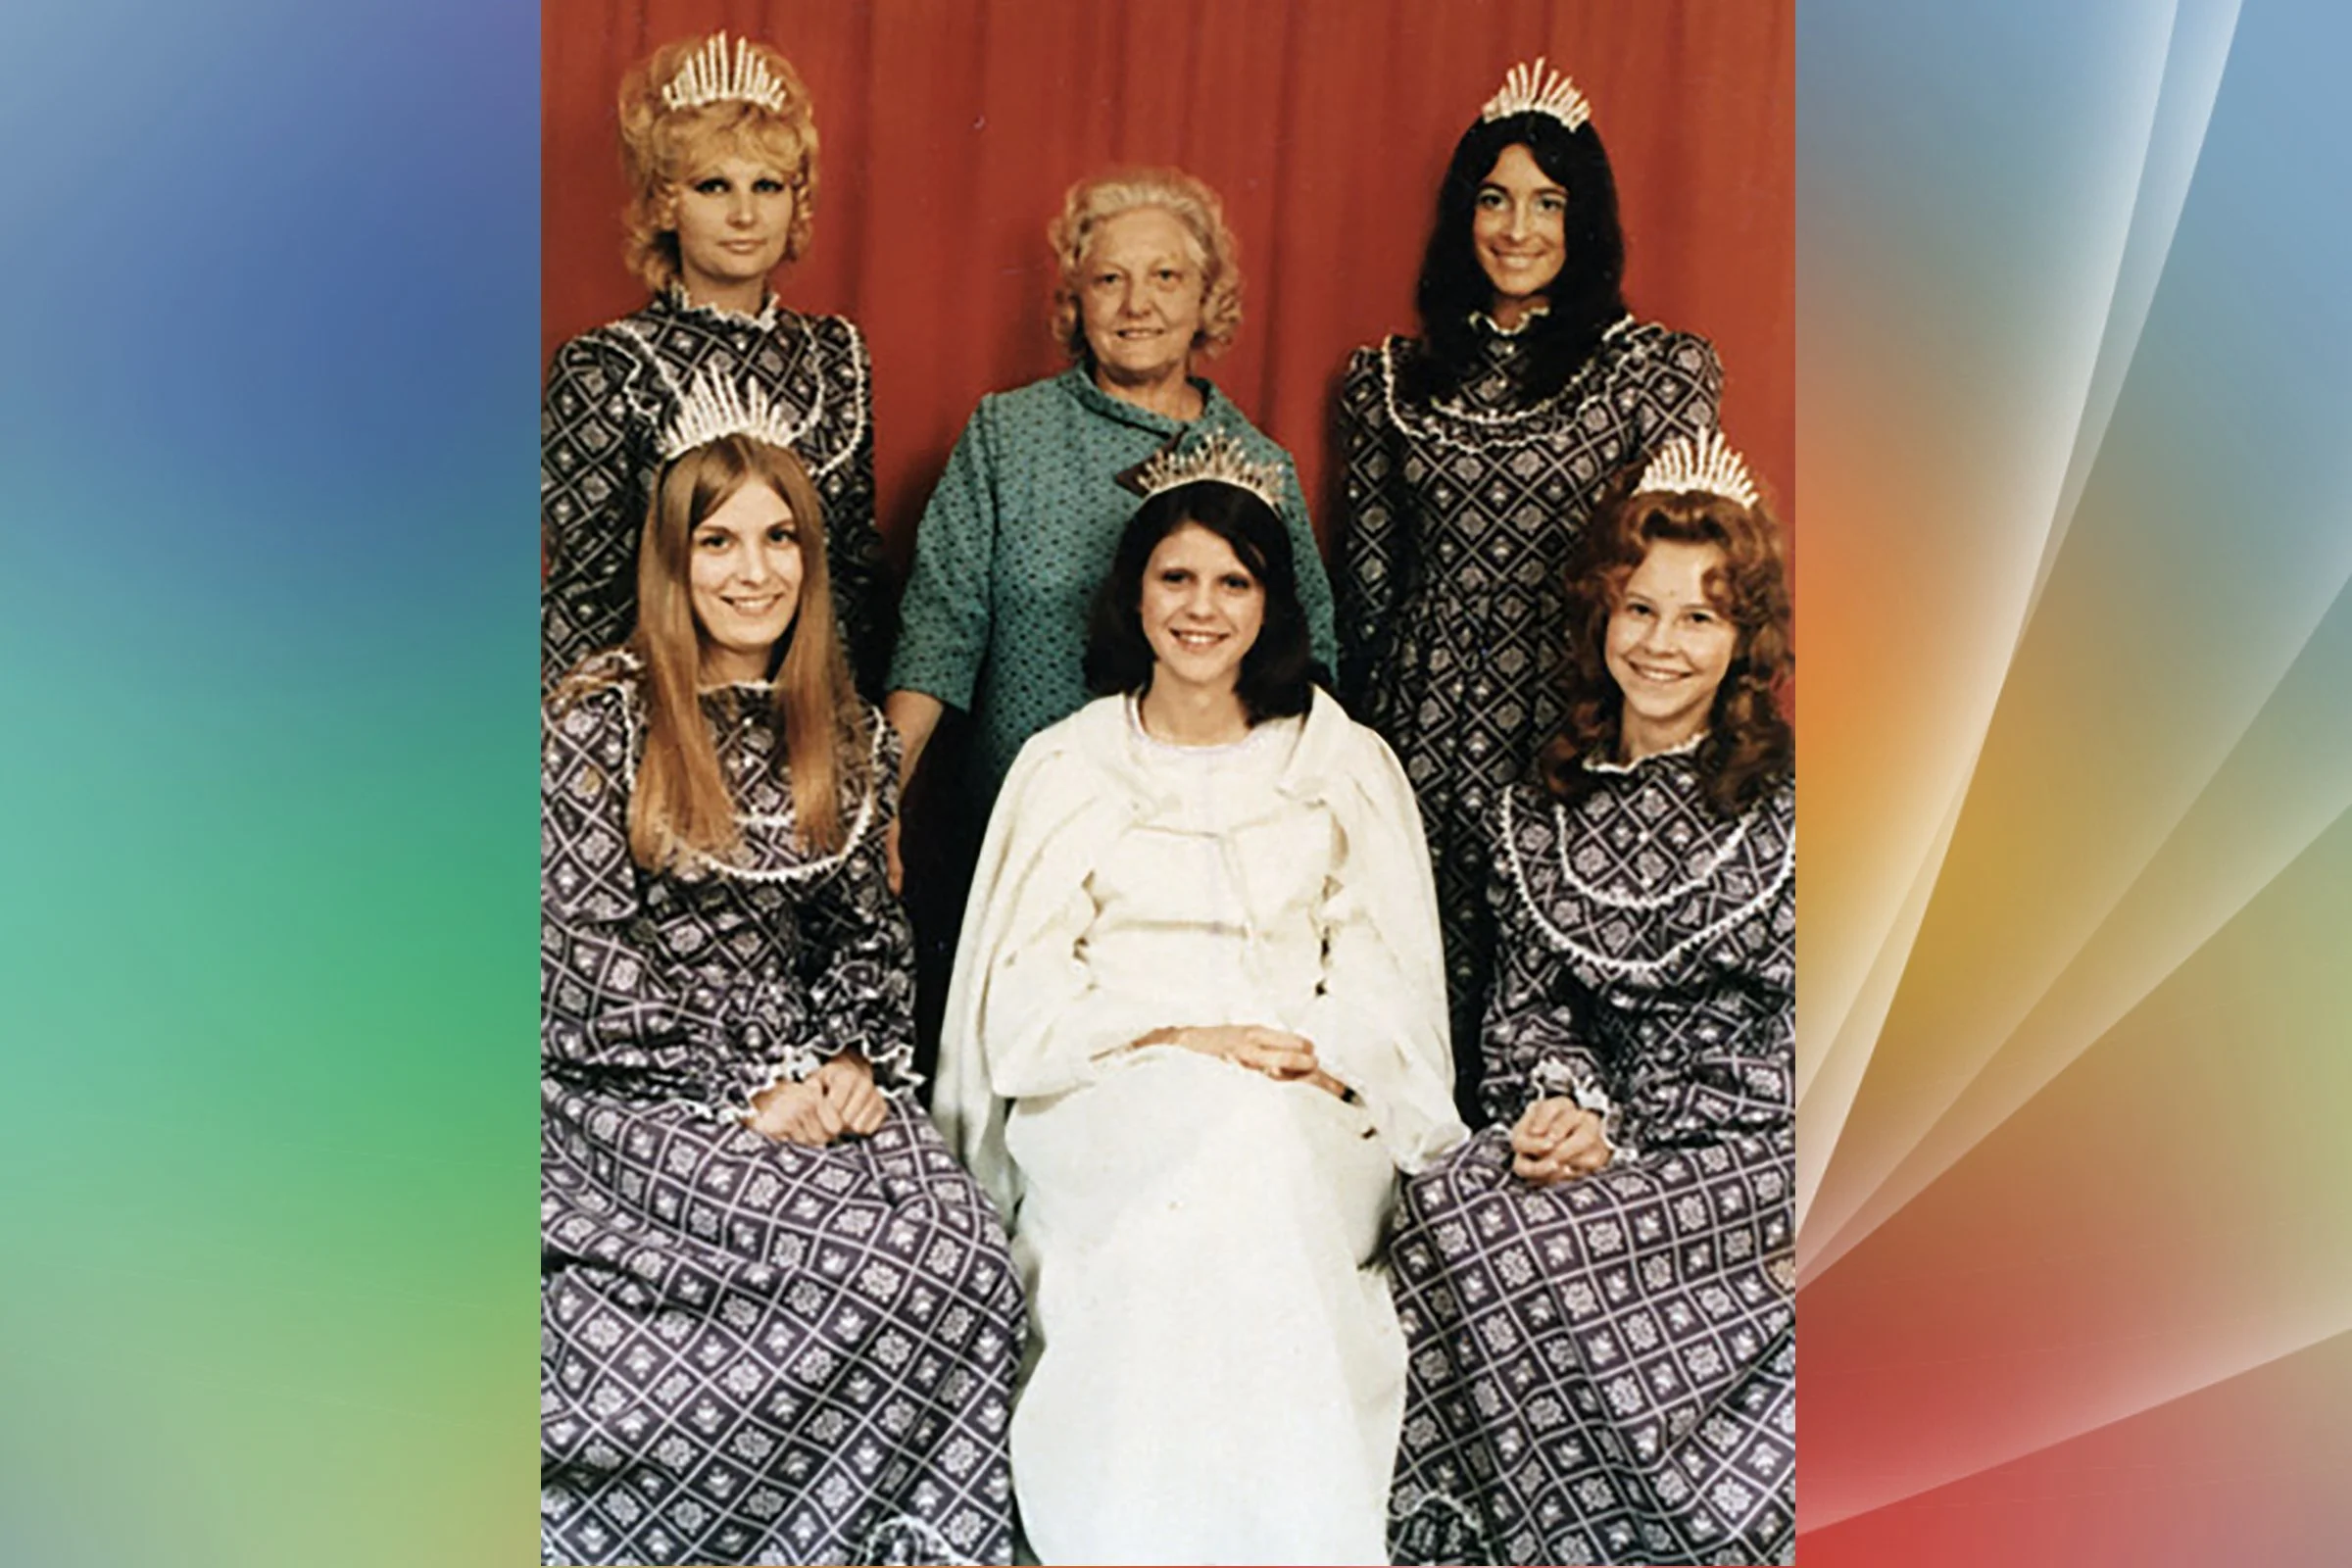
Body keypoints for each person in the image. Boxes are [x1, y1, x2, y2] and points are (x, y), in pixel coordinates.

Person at [935, 450, 1463, 1564]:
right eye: (1177, 578)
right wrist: (1172, 1038)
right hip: (1110, 1081)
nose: (1202, 608)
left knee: (1256, 1151)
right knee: (1204, 1153)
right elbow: (1022, 988)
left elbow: (1384, 966)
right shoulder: (1067, 764)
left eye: (1233, 582)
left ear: (1270, 602)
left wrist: (1322, 1057)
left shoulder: (1341, 762)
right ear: (1135, 592)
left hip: (1301, 1080)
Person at [539, 400, 1023, 1566]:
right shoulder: (595, 720)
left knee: (960, 1252)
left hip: (817, 1067)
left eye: (779, 539)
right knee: (855, 1265)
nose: (754, 573)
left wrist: (853, 1060)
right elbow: (578, 954)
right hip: (640, 1084)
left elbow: (867, 936)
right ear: (673, 561)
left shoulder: (846, 729)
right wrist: (743, 1092)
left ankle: (887, 1539)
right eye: (718, 543)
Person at [1385, 431, 1795, 1567]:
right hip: (1607, 1127)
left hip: (1760, 1143)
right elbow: (1529, 1011)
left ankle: (1655, 1538)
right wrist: (1568, 1105)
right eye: (1640, 610)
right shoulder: (1535, 812)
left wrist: (1663, 1130)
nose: (1663, 644)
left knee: (1539, 1254)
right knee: (1446, 1206)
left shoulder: (1797, 805)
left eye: (1700, 617)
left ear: (1743, 639)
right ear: (1599, 622)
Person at [1335, 58, 1727, 1112]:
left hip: (1574, 716)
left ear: (1583, 218)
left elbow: (1674, 567)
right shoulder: (1387, 380)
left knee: (1553, 983)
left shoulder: (1657, 372)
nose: (1517, 228)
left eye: (1548, 203)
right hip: (1417, 721)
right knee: (1408, 981)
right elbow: (1368, 589)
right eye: (1494, 198)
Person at [886, 166, 1339, 831]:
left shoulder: (1257, 464)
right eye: (1109, 280)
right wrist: (880, 800)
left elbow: (1310, 657)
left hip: (1198, 832)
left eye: (1166, 277)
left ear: (1206, 298)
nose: (1137, 306)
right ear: (1075, 301)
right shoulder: (1006, 437)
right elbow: (936, 634)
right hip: (1023, 821)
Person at [542, 30, 886, 697]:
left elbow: (852, 575)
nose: (745, 214)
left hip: (807, 708)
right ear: (667, 203)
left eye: (767, 185)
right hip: (654, 716)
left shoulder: (836, 354)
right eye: (713, 186)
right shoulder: (604, 367)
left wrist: (852, 733)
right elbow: (586, 599)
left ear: (797, 199)